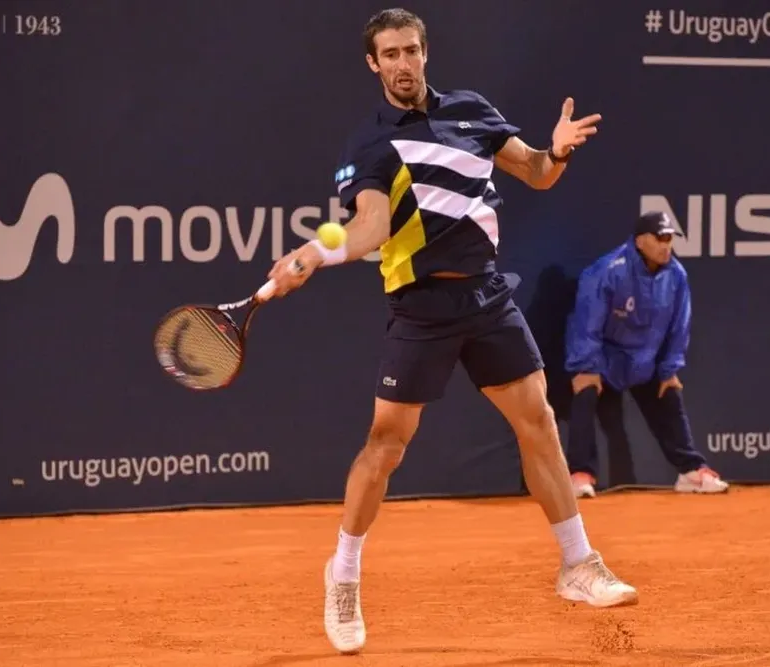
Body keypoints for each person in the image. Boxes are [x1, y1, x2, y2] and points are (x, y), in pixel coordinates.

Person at [265, 7, 637, 656]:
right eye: (390, 54)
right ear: (372, 64)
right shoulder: (371, 143)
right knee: (386, 444)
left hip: (488, 296)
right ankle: (344, 573)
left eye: (411, 50)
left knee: (538, 421)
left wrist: (558, 150)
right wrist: (314, 253)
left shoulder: (473, 111)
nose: (403, 63)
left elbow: (537, 173)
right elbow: (371, 228)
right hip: (420, 306)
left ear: (424, 52)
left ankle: (577, 564)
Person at [562, 211, 730, 499]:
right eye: (660, 238)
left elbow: (680, 327)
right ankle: (580, 474)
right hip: (606, 359)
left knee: (670, 393)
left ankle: (691, 471)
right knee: (584, 391)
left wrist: (669, 369)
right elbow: (586, 322)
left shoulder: (676, 276)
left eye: (669, 239)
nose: (666, 245)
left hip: (644, 361)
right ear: (640, 241)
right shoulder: (608, 271)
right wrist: (587, 366)